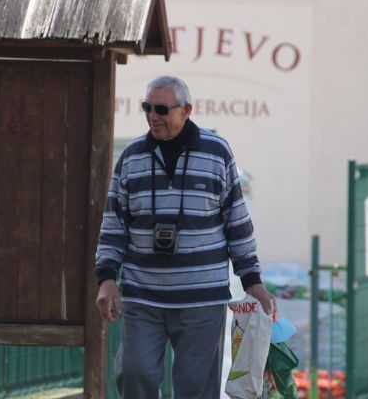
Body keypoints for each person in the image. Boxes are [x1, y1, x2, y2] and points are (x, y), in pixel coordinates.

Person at [95, 75, 275, 398]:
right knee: (135, 373)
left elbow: (237, 221)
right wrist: (106, 279)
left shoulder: (217, 153)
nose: (153, 116)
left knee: (196, 388)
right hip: (143, 295)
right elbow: (113, 224)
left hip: (201, 298)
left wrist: (253, 281)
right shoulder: (132, 157)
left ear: (186, 110)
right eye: (147, 107)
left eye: (162, 109)